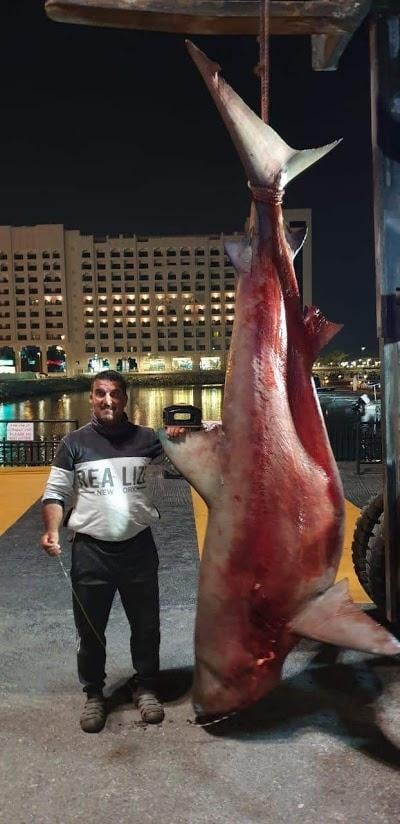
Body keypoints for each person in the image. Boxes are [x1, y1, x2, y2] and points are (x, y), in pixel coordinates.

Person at [41, 370, 185, 734]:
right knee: (90, 630)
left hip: (138, 546)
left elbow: (182, 466)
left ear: (125, 399)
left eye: (115, 394)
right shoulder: (74, 443)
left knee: (146, 625)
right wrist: (51, 529)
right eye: (101, 393)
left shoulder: (147, 439)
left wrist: (177, 440)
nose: (108, 400)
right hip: (90, 550)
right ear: (92, 398)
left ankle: (146, 686)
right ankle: (94, 693)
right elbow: (55, 493)